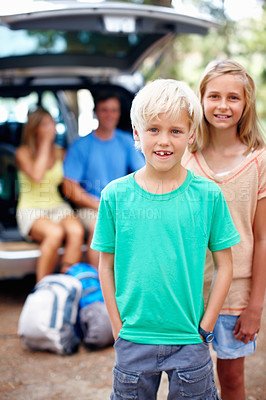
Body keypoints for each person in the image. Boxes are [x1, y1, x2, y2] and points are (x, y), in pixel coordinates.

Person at [91, 79, 241, 399]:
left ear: (191, 133)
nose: (164, 141)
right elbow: (105, 266)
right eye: (154, 129)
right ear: (136, 132)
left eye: (175, 131)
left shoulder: (208, 196)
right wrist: (119, 329)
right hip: (132, 339)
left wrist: (205, 327)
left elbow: (225, 265)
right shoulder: (115, 196)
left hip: (190, 340)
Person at [182, 59, 266, 400]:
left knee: (231, 381)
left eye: (233, 98)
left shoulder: (259, 160)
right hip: (187, 290)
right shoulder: (184, 156)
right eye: (214, 96)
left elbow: (262, 238)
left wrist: (256, 305)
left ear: (246, 104)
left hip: (236, 293)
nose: (223, 105)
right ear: (201, 99)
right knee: (186, 378)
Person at [63, 91, 145, 268]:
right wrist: (100, 205)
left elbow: (144, 175)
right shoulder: (81, 146)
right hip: (90, 206)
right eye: (104, 110)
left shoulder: (126, 141)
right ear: (95, 112)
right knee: (99, 228)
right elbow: (70, 188)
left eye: (114, 110)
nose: (110, 115)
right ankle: (99, 288)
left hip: (120, 204)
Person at [16, 107, 84, 282]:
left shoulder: (60, 152)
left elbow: (69, 182)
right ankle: (42, 287)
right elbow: (37, 176)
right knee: (55, 233)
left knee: (76, 231)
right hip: (31, 208)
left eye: (52, 123)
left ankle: (65, 283)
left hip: (56, 206)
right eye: (45, 124)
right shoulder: (23, 153)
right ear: (34, 129)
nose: (51, 128)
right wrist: (45, 143)